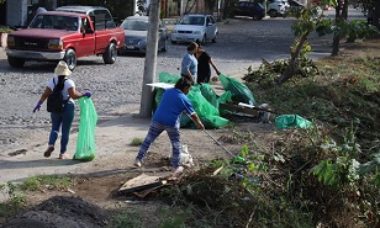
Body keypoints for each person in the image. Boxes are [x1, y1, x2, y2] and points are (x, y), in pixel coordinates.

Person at [134, 77, 205, 175]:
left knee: (148, 140)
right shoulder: (184, 98)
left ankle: (138, 160)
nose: (188, 91)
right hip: (171, 123)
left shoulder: (168, 92)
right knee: (176, 144)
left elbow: (170, 104)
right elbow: (193, 114)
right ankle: (175, 166)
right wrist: (199, 123)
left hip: (157, 119)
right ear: (184, 87)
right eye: (188, 89)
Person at [33, 61, 92, 159]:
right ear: (66, 72)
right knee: (65, 131)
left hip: (55, 107)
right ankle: (62, 153)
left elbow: (45, 94)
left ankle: (51, 145)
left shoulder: (52, 81)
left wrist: (39, 104)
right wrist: (83, 94)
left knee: (54, 128)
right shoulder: (69, 82)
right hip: (68, 107)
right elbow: (73, 95)